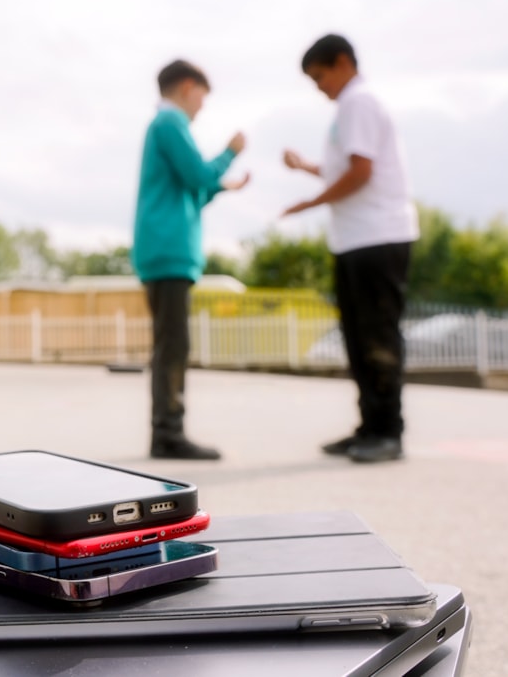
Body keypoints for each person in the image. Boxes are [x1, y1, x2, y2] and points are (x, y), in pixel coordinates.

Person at [282, 34, 418, 463]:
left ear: (342, 63)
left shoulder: (359, 102)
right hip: (356, 237)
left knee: (377, 336)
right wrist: (307, 168)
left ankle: (388, 432)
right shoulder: (349, 108)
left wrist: (312, 202)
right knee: (359, 338)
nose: (318, 86)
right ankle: (369, 427)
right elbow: (346, 166)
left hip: (377, 235)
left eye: (320, 76)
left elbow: (361, 172)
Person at [132, 60, 249, 461]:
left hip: (163, 250)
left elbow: (193, 188)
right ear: (187, 86)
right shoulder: (170, 124)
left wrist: (219, 185)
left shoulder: (163, 126)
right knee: (173, 346)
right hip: (168, 250)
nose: (202, 106)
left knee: (170, 344)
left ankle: (167, 431)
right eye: (202, 95)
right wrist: (230, 154)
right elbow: (198, 175)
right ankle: (168, 433)